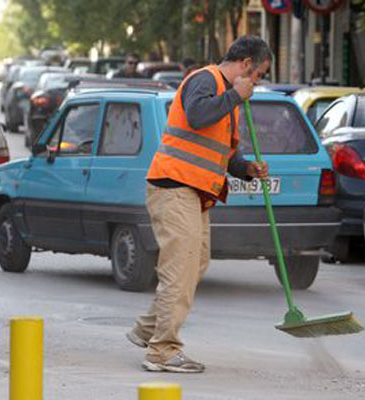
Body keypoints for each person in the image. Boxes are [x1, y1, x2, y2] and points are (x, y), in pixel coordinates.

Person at [127, 36, 272, 373]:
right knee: (180, 270)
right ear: (247, 65)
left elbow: (222, 151)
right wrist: (236, 94)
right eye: (260, 74)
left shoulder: (225, 95)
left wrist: (246, 168)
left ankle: (147, 329)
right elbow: (196, 116)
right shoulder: (206, 80)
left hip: (193, 192)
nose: (258, 82)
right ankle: (162, 351)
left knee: (197, 263)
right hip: (174, 186)